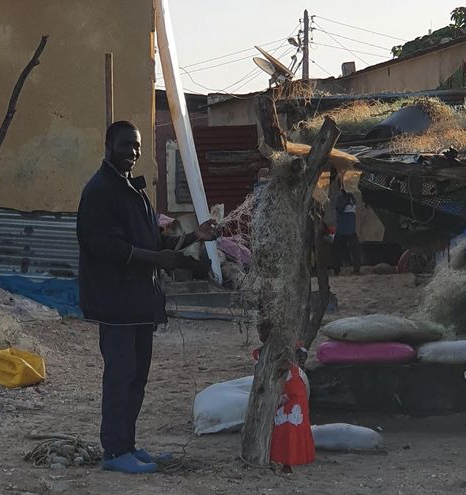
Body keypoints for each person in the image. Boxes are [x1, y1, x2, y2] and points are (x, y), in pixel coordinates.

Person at [77, 121, 218, 474]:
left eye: (137, 146)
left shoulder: (132, 189)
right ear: (108, 144)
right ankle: (113, 452)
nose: (133, 152)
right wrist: (156, 259)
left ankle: (128, 445)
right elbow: (103, 246)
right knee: (120, 378)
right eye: (126, 145)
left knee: (136, 379)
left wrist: (195, 236)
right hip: (116, 303)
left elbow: (155, 244)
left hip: (140, 302)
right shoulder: (100, 190)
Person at [252, 343, 316, 472]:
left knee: (287, 428)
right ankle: (284, 461)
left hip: (291, 394)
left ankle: (285, 462)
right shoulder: (273, 357)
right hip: (287, 392)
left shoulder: (286, 363)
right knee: (286, 428)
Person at [332, 177, 362, 275]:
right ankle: (336, 270)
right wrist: (345, 201)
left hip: (351, 230)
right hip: (342, 230)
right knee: (337, 251)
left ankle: (356, 269)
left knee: (355, 251)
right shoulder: (340, 197)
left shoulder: (352, 197)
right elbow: (339, 209)